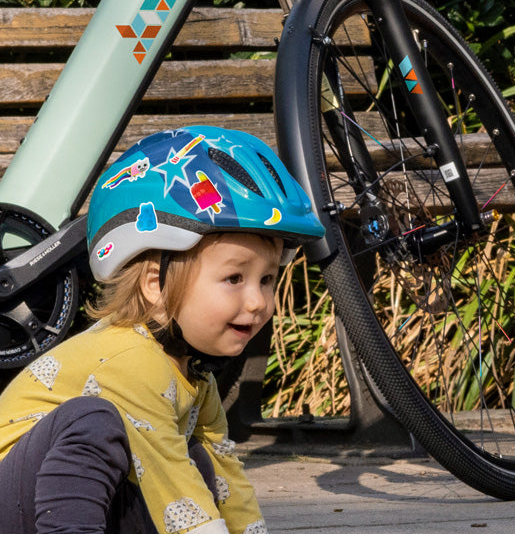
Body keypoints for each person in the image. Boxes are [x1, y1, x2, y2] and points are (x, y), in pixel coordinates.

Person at [0, 126, 325, 534]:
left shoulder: (194, 372)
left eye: (267, 279)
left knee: (203, 457)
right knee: (95, 422)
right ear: (155, 284)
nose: (258, 301)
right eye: (234, 279)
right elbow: (170, 481)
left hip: (60, 507)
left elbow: (226, 475)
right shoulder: (130, 360)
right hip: (12, 503)